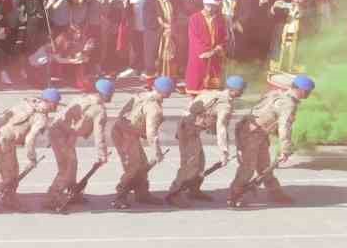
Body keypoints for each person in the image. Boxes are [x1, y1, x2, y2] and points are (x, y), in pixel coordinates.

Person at [229, 74, 311, 207]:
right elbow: (284, 127)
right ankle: (234, 196)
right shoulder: (288, 103)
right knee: (248, 168)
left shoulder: (277, 93)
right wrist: (285, 149)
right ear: (302, 91)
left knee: (265, 167)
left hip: (256, 132)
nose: (308, 94)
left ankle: (275, 193)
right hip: (252, 134)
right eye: (308, 92)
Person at [0, 88, 59, 213]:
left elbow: (6, 115)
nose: (57, 106)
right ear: (50, 103)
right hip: (4, 141)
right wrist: (31, 158)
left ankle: (9, 198)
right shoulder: (41, 118)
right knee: (6, 173)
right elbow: (30, 139)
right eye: (56, 103)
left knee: (13, 170)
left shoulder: (26, 102)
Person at [169, 75, 243, 204]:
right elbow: (221, 128)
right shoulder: (224, 104)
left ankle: (194, 190)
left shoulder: (214, 93)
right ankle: (174, 194)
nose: (242, 92)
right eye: (241, 89)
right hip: (189, 129)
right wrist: (224, 151)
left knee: (200, 162)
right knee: (190, 164)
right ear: (234, 90)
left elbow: (193, 106)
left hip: (188, 125)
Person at [43, 80, 112, 211]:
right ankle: (51, 197)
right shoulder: (99, 110)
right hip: (63, 134)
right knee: (66, 166)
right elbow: (99, 136)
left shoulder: (82, 98)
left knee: (72, 163)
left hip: (63, 132)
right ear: (106, 95)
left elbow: (63, 114)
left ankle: (72, 192)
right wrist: (102, 155)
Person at [110, 77, 174, 210]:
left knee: (142, 164)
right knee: (133, 166)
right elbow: (152, 134)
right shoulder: (155, 108)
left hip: (125, 130)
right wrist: (157, 153)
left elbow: (122, 113)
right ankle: (120, 196)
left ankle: (142, 193)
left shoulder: (140, 95)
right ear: (168, 93)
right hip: (125, 134)